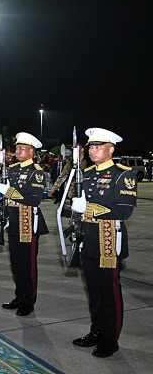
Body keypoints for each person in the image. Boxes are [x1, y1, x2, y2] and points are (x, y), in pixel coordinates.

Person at [70, 128, 137, 358]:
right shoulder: (86, 174)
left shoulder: (122, 175)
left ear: (111, 149)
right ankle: (96, 330)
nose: (93, 151)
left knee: (109, 291)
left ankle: (110, 338)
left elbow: (124, 211)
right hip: (88, 238)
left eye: (98, 147)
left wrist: (88, 208)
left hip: (108, 239)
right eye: (91, 147)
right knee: (94, 290)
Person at [0, 132, 49, 316]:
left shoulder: (36, 173)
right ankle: (19, 296)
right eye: (17, 148)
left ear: (31, 151)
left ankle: (29, 300)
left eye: (22, 148)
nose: (18, 151)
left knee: (28, 264)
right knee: (16, 262)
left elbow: (34, 199)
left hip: (28, 222)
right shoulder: (12, 170)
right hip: (13, 221)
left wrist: (10, 192)